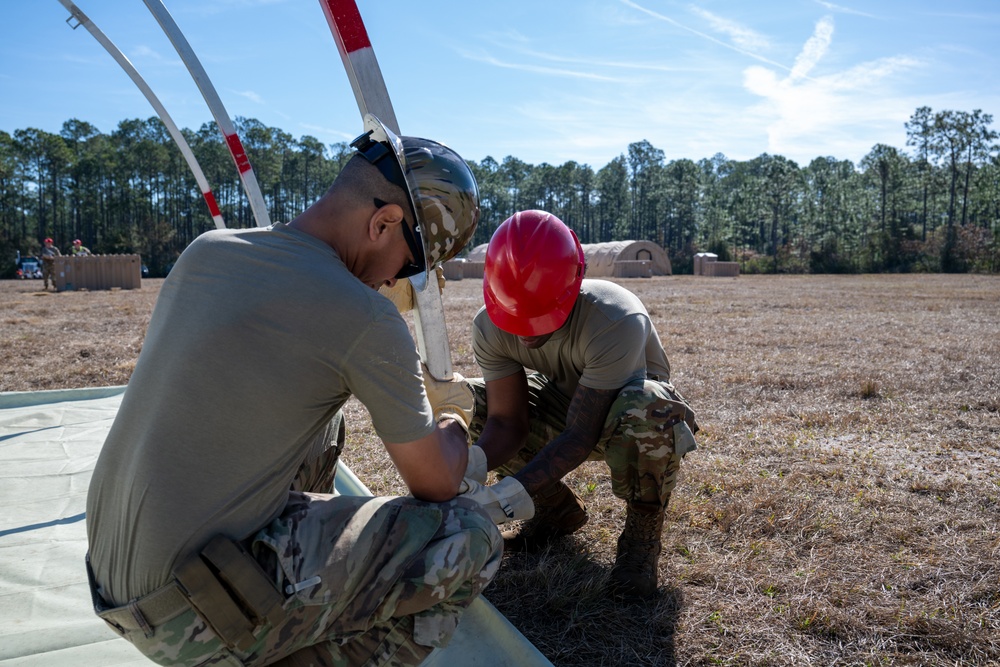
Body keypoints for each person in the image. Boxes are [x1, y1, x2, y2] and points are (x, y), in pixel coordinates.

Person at [85, 114, 507, 667]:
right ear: (383, 223)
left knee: (325, 423)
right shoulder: (364, 316)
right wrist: (451, 418)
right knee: (470, 537)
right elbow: (434, 481)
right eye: (411, 262)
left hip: (114, 583)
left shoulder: (208, 250)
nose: (394, 280)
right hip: (190, 612)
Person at [463, 210, 699, 599]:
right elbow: (506, 422)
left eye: (537, 315)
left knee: (649, 409)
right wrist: (467, 469)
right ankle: (554, 512)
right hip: (564, 405)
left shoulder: (614, 316)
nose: (523, 331)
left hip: (620, 416)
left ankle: (641, 542)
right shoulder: (488, 326)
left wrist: (508, 495)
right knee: (475, 402)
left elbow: (582, 432)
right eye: (513, 314)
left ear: (572, 288)